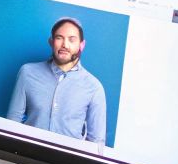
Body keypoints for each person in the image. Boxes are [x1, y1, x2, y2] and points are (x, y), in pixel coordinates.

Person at [6, 17, 108, 145]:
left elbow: (96, 142)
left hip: (67, 162)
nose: (65, 45)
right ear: (51, 42)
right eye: (59, 38)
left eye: (72, 39)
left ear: (81, 45)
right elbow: (12, 122)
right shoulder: (27, 72)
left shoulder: (94, 87)